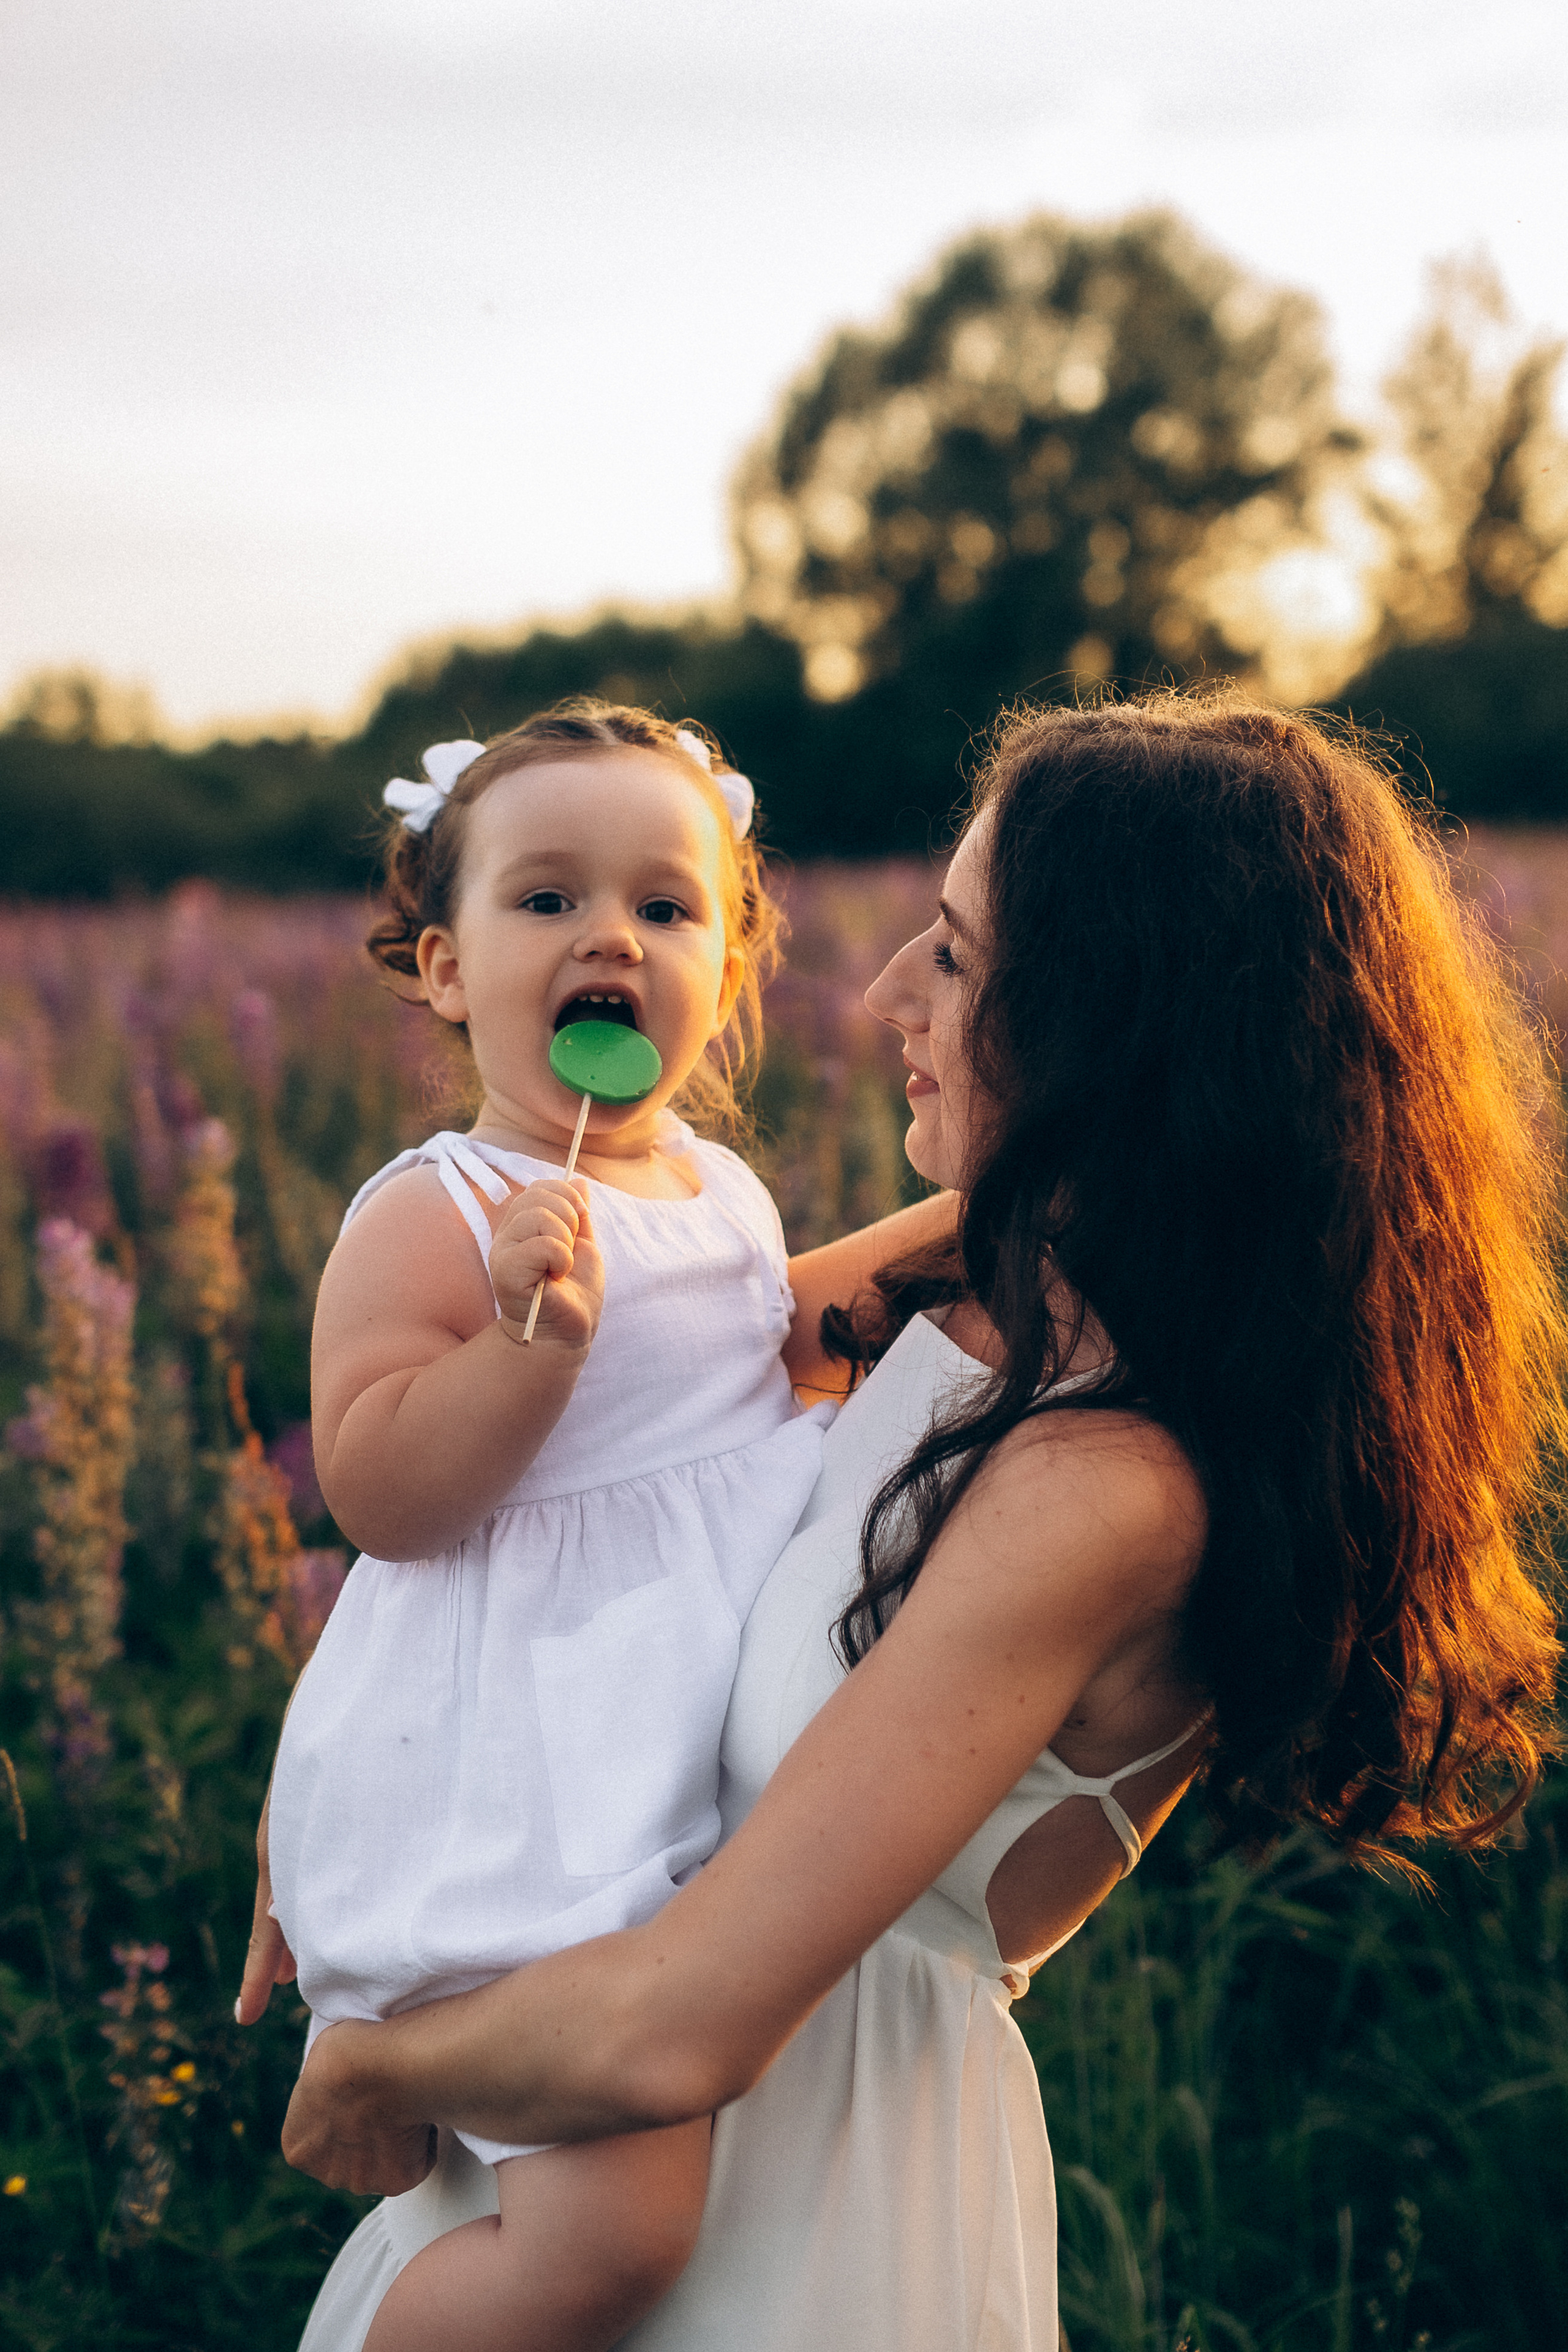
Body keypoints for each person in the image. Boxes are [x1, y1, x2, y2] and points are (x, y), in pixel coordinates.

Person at [265, 693, 1565, 2352]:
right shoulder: (974, 1268)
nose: (883, 995)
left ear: (1119, 1019)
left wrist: (368, 2063)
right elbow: (581, 1467)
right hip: (562, 2122)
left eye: (950, 958)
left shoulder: (1112, 1487)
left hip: (798, 2215)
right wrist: (354, 1783)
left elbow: (678, 2032)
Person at [241, 701, 954, 2352]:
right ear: (441, 967)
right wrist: (523, 1355)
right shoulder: (443, 1211)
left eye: (665, 904)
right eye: (546, 900)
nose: (609, 936)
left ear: (729, 965)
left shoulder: (716, 1189)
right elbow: (383, 1497)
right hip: (525, 1772)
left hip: (673, 1748)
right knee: (609, 2243)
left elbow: (765, 1369)